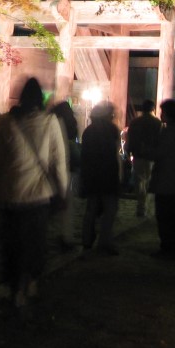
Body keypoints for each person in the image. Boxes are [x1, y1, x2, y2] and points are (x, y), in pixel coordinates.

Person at [0, 77, 68, 314]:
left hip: (10, 194)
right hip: (37, 196)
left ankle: (16, 290)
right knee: (33, 244)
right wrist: (63, 191)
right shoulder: (50, 122)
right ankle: (28, 283)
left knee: (12, 245)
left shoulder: (5, 122)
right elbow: (59, 162)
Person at [79, 101, 121, 255]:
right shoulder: (112, 130)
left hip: (92, 175)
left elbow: (84, 156)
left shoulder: (88, 131)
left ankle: (87, 241)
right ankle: (105, 241)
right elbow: (115, 153)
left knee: (91, 209)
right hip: (108, 174)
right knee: (109, 210)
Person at [149, 99, 175, 260]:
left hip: (166, 180)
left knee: (165, 215)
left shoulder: (168, 132)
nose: (160, 115)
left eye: (163, 112)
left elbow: (160, 153)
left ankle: (168, 247)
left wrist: (146, 150)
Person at [49, 98, 81, 249]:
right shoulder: (70, 122)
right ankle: (66, 236)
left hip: (50, 166)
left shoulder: (51, 121)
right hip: (67, 164)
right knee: (68, 205)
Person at [124, 100, 161, 218]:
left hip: (138, 155)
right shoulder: (157, 123)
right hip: (152, 157)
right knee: (150, 181)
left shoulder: (135, 122)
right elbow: (161, 141)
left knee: (139, 181)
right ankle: (148, 207)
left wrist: (128, 152)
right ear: (153, 109)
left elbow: (130, 139)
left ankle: (141, 206)